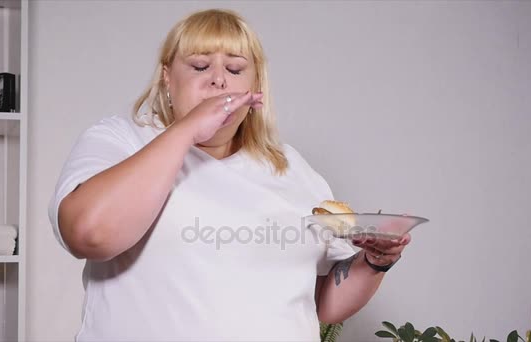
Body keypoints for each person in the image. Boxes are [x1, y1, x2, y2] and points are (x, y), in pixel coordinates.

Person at [48, 8, 411, 341]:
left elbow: (322, 303)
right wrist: (188, 129)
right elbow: (87, 234)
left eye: (235, 69)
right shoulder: (121, 140)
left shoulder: (292, 168)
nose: (219, 80)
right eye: (200, 66)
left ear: (255, 87)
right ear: (167, 78)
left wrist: (374, 263)